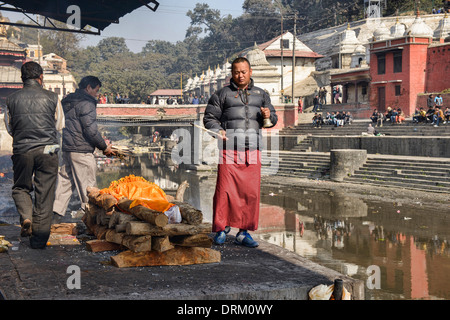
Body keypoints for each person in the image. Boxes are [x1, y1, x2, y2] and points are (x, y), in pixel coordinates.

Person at [203, 57, 277, 248]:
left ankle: (243, 233)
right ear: (231, 74)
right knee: (224, 191)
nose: (240, 75)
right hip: (229, 149)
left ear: (250, 72)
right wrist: (217, 129)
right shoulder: (222, 94)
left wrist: (270, 116)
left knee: (250, 193)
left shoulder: (261, 94)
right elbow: (210, 118)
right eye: (236, 72)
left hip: (252, 149)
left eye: (244, 71)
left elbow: (273, 118)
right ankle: (220, 229)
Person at [4, 61, 64, 249]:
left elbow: (9, 127)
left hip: (22, 150)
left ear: (22, 79)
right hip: (48, 150)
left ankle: (27, 217)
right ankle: (38, 240)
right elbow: (59, 125)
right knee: (44, 193)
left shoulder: (11, 99)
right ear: (41, 78)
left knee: (21, 188)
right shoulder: (53, 97)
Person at [53, 76, 113, 222]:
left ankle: (54, 215)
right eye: (96, 90)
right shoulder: (87, 103)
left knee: (65, 182)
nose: (97, 94)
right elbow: (90, 130)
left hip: (68, 148)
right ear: (88, 88)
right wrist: (104, 147)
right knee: (88, 187)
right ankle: (92, 219)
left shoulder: (67, 101)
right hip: (81, 150)